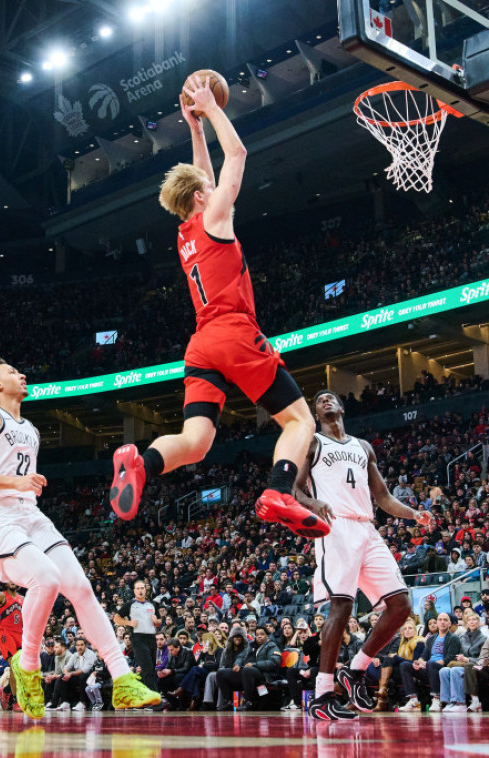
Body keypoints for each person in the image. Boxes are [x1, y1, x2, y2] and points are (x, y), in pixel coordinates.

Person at [106, 75, 328, 541]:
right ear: (202, 198)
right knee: (299, 420)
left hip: (200, 346)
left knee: (196, 442)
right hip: (233, 334)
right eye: (207, 188)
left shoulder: (185, 233)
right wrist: (211, 108)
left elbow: (200, 175)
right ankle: (279, 491)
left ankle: (141, 464)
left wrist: (193, 128)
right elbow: (238, 156)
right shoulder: (214, 217)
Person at [0, 355, 161, 719]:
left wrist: (23, 488)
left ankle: (123, 678)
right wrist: (16, 482)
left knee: (81, 588)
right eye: (10, 371)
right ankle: (29, 663)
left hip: (30, 514)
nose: (21, 372)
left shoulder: (31, 428)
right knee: (46, 578)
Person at [294, 390, 432, 720]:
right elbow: (293, 489)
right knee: (341, 605)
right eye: (319, 401)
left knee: (401, 605)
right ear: (316, 415)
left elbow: (383, 496)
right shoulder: (312, 443)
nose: (325, 401)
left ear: (342, 407)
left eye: (330, 398)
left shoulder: (362, 447)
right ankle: (322, 694)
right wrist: (312, 504)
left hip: (367, 528)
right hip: (335, 525)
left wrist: (413, 514)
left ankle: (355, 670)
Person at [113, 579, 164, 696]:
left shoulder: (152, 604)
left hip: (152, 638)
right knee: (147, 668)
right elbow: (116, 618)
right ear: (134, 591)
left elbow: (159, 622)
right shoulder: (130, 605)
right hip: (138, 638)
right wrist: (129, 623)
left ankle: (144, 697)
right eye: (138, 588)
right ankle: (155, 699)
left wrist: (157, 622)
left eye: (143, 588)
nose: (141, 590)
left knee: (151, 669)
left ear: (146, 590)